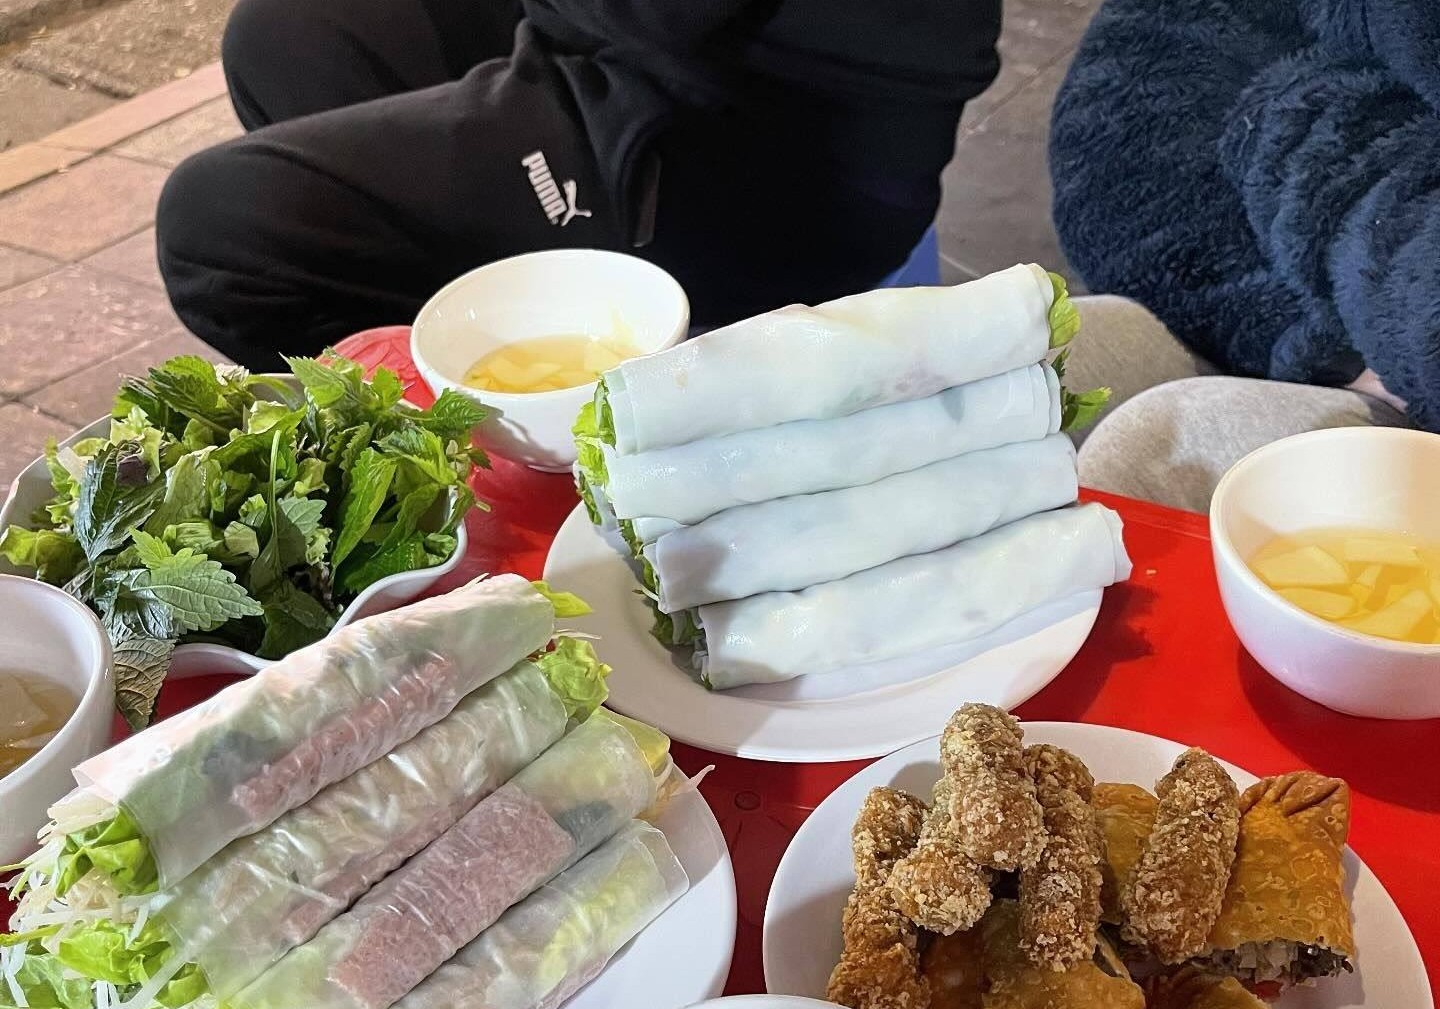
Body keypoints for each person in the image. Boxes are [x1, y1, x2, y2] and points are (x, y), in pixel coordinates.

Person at [157, 0, 1003, 372]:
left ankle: (541, 465)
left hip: (772, 136)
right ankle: (487, 393)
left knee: (221, 231)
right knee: (286, 38)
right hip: (654, 45)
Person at [1049, 0, 1438, 513]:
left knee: (1145, 460)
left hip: (1389, 337)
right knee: (1058, 360)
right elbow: (1123, 131)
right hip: (1337, 301)